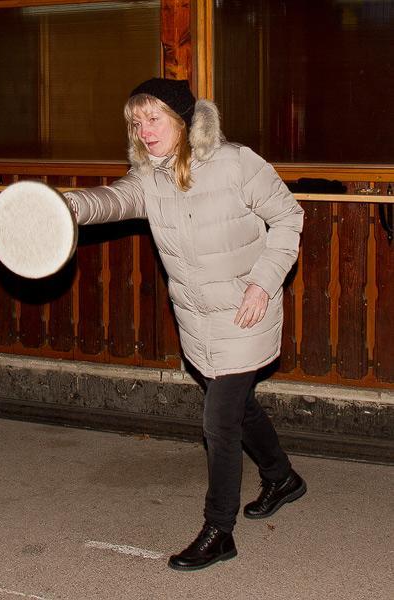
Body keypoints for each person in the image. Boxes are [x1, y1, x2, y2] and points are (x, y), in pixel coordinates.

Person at [62, 78, 306, 571]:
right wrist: (62, 207)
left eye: (154, 119)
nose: (144, 131)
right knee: (239, 407)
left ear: (182, 120)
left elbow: (288, 217)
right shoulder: (148, 178)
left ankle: (219, 530)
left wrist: (262, 284)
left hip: (245, 310)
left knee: (219, 421)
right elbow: (110, 201)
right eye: (137, 122)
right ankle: (282, 477)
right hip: (196, 317)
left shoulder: (235, 163)